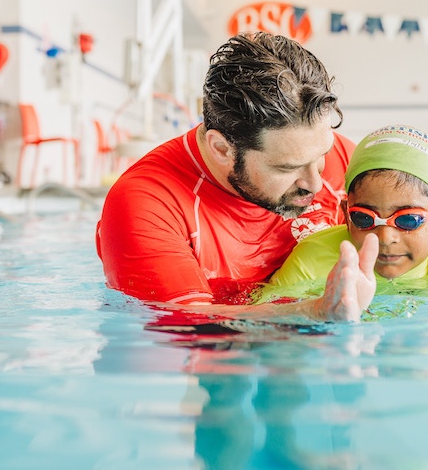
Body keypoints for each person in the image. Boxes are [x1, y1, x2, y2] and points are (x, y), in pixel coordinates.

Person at [96, 32, 377, 322]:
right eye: (286, 168)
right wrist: (315, 312)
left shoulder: (339, 156)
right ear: (222, 149)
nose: (316, 183)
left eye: (321, 155)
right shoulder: (148, 205)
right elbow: (188, 325)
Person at [259, 125, 428, 301]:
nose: (385, 237)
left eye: (408, 219)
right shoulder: (312, 258)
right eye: (364, 218)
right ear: (346, 215)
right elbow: (263, 317)